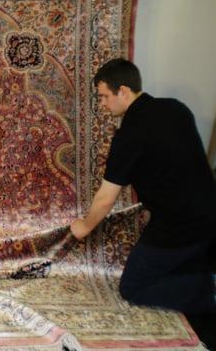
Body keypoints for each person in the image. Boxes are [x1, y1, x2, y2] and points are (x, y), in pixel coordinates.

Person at [70, 58, 216, 314]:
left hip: (179, 227)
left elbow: (105, 198)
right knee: (181, 262)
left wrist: (83, 227)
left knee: (134, 287)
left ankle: (207, 292)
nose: (102, 104)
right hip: (210, 213)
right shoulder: (176, 108)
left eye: (104, 97)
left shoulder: (129, 136)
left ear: (123, 91)